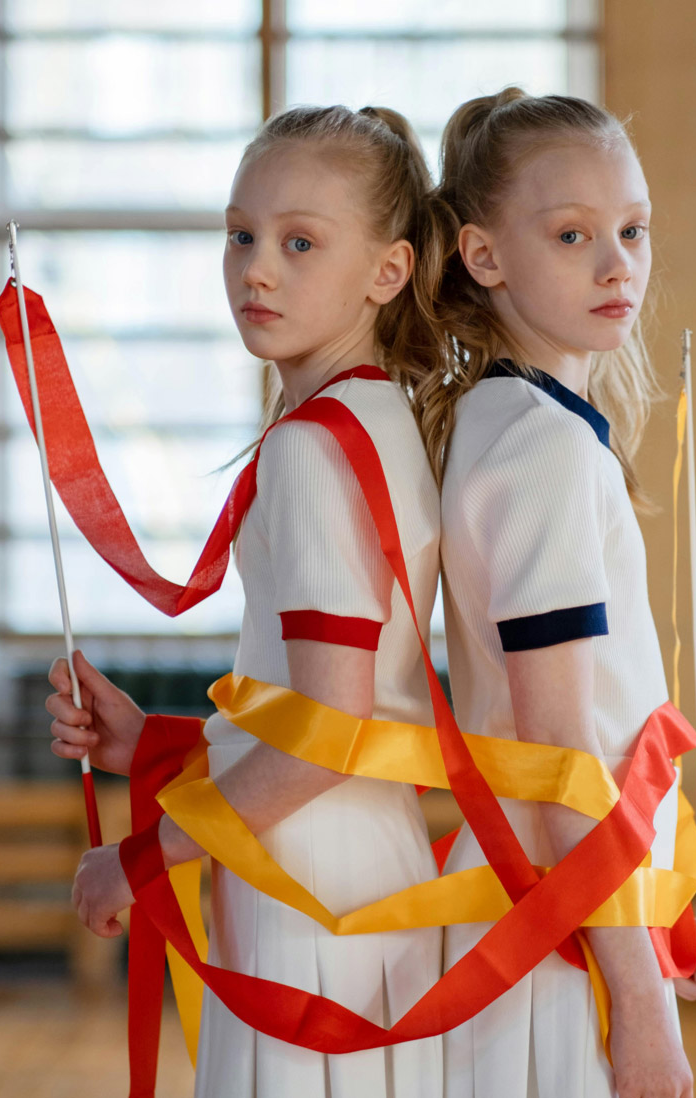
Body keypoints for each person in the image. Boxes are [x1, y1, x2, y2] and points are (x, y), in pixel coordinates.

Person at [44, 104, 446, 1098]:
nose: (256, 270)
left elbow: (327, 733)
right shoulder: (380, 416)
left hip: (303, 878)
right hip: (353, 857)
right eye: (241, 236)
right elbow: (330, 711)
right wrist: (154, 744)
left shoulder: (313, 447)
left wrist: (142, 857)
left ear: (387, 271)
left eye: (300, 242)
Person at [413, 88, 696, 1098]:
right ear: (483, 255)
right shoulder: (544, 448)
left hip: (565, 903)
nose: (618, 266)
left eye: (633, 230)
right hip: (552, 924)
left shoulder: (507, 419)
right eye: (573, 235)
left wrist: (657, 921)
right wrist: (637, 999)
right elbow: (560, 753)